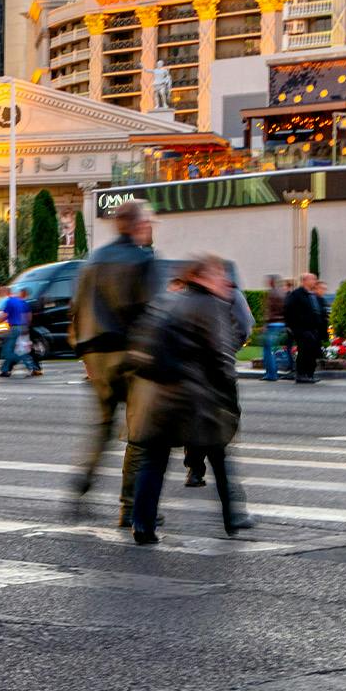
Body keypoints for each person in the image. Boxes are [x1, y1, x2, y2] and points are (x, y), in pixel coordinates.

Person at [127, 255, 254, 545]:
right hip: (196, 399)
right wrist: (226, 393)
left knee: (153, 461)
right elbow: (222, 356)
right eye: (218, 274)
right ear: (202, 276)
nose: (224, 281)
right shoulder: (211, 306)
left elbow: (139, 344)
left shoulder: (168, 299)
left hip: (158, 396)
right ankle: (232, 517)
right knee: (220, 457)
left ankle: (142, 525)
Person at [68, 199, 158, 526]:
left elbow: (75, 309)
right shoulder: (142, 259)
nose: (151, 227)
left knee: (103, 426)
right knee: (139, 430)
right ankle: (130, 505)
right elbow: (149, 312)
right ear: (137, 225)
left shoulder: (93, 259)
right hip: (128, 351)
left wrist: (83, 353)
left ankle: (83, 482)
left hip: (95, 354)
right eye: (148, 222)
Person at [184, 275, 252, 488]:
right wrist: (231, 347)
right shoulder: (231, 294)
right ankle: (210, 458)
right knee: (228, 413)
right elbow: (245, 325)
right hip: (220, 367)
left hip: (197, 367)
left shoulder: (189, 297)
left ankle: (195, 467)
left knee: (198, 416)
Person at [283, 272, 329, 384]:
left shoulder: (312, 295)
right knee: (304, 352)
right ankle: (301, 374)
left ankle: (309, 374)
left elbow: (318, 311)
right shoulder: (297, 294)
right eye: (312, 279)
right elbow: (288, 310)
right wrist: (292, 327)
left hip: (314, 329)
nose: (315, 282)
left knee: (312, 352)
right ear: (305, 281)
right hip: (302, 329)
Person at [0, 286, 40, 378]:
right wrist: (26, 326)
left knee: (8, 351)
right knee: (21, 348)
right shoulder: (21, 301)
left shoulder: (9, 301)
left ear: (5, 292)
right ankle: (5, 370)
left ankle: (30, 366)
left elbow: (5, 315)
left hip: (14, 328)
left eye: (0, 293)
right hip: (23, 328)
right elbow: (28, 316)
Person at [259, 274, 288, 382]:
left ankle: (271, 374)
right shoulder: (282, 293)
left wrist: (265, 324)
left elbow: (269, 311)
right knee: (273, 350)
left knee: (267, 350)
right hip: (281, 324)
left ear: (272, 282)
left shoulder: (271, 293)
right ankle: (273, 372)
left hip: (272, 324)